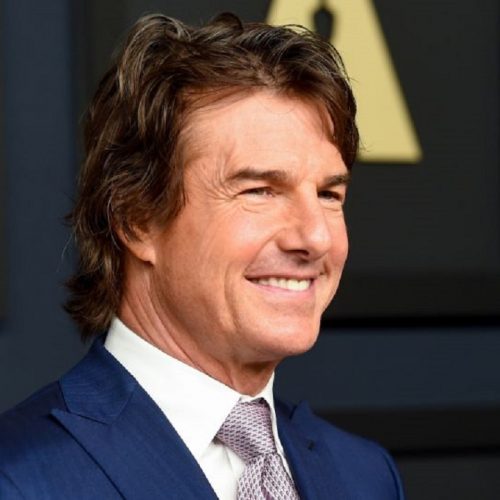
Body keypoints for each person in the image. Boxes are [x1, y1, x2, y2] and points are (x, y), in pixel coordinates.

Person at [0, 12, 404, 500]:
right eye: (259, 191)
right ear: (136, 219)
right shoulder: (20, 479)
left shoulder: (365, 475)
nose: (316, 237)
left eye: (328, 194)